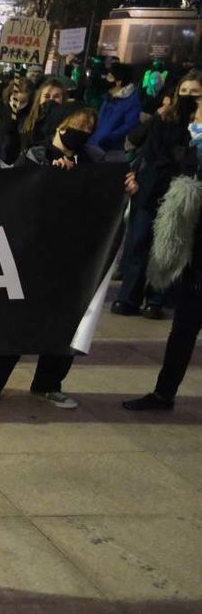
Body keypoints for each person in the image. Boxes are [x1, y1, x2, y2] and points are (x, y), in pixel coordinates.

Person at [0, 107, 102, 411]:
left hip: (73, 258)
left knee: (67, 323)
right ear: (59, 127)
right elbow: (20, 198)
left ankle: (49, 384)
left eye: (89, 128)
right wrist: (50, 175)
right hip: (32, 254)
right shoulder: (35, 157)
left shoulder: (95, 161)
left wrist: (124, 187)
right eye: (76, 125)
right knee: (14, 321)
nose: (82, 132)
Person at [123, 117, 202, 411]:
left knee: (182, 333)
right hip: (195, 266)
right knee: (182, 333)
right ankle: (163, 394)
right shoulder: (186, 147)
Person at [113, 73, 202, 318]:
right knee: (138, 243)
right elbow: (147, 151)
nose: (188, 98)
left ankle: (157, 298)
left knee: (169, 246)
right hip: (151, 188)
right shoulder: (163, 121)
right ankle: (128, 296)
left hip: (185, 194)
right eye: (183, 92)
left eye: (194, 93)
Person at [92, 63, 143, 155]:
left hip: (110, 149)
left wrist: (109, 138)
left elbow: (130, 124)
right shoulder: (108, 95)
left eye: (110, 76)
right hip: (94, 142)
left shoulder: (131, 100)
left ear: (119, 81)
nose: (106, 78)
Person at [0, 78, 31, 169]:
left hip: (22, 159)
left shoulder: (31, 109)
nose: (19, 104)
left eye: (25, 92)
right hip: (0, 156)